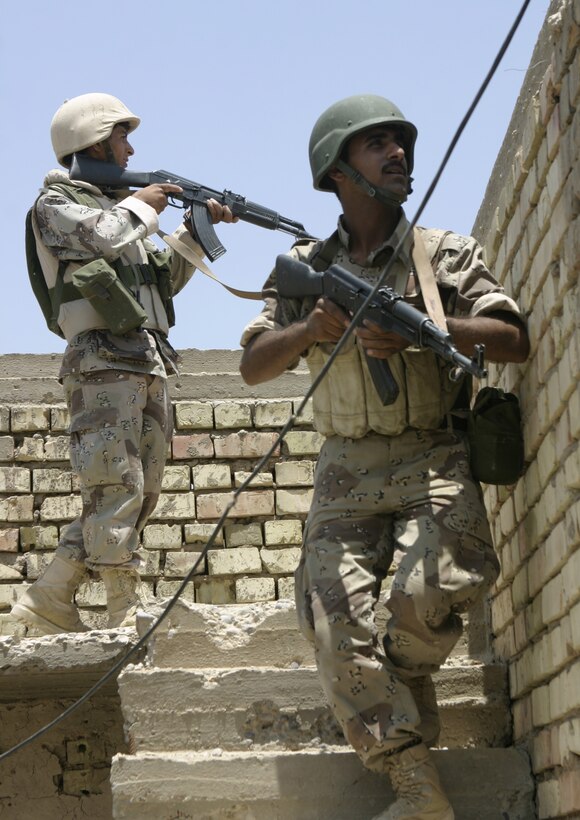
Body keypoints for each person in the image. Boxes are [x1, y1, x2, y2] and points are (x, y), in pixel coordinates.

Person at [239, 94, 529, 820]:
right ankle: (414, 786)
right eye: (378, 144)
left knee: (423, 599)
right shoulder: (304, 267)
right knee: (335, 627)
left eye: (403, 142)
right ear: (339, 169)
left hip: (432, 457)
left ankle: (400, 704)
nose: (399, 153)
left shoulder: (445, 255)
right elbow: (253, 365)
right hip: (344, 472)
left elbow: (511, 337)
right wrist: (313, 325)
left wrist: (424, 326)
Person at [12, 92, 235, 634]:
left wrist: (197, 231)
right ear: (93, 142)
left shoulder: (123, 217)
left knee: (138, 493)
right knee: (116, 486)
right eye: (121, 138)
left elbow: (162, 284)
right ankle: (121, 611)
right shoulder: (57, 206)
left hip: (146, 360)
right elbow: (100, 235)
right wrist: (145, 205)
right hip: (101, 364)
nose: (130, 150)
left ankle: (50, 596)